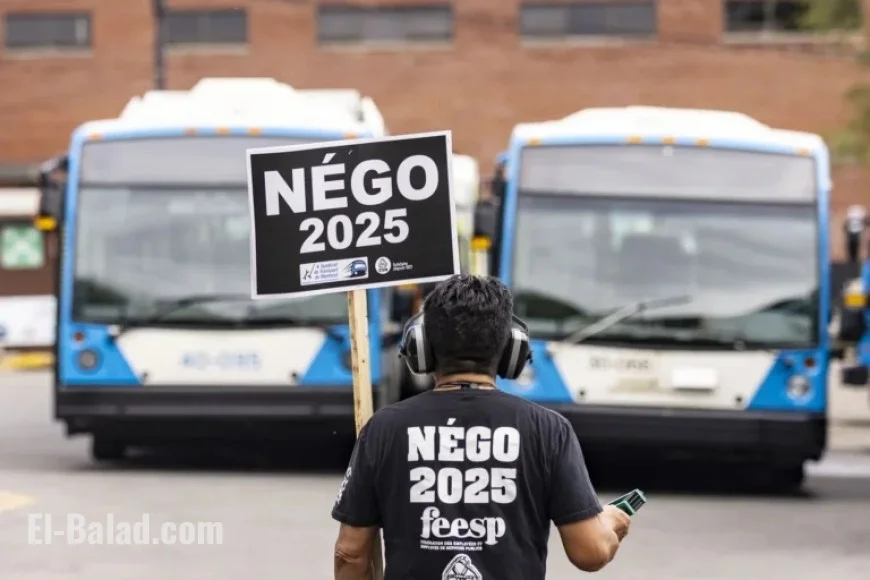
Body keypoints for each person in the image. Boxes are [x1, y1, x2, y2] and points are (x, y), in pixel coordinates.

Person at [332, 274, 631, 579]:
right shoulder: (549, 430)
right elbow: (590, 552)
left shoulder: (384, 428)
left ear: (421, 347)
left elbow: (350, 553)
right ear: (511, 351)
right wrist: (610, 523)